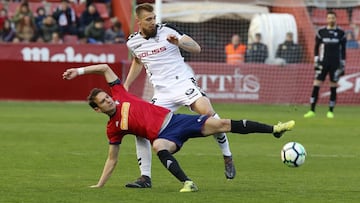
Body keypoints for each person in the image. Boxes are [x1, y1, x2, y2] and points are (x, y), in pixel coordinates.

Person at [62, 63, 295, 192]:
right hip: (165, 136)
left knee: (222, 124)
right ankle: (188, 183)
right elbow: (112, 158)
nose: (108, 100)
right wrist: (99, 184)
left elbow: (104, 68)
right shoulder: (113, 128)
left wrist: (79, 71)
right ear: (97, 109)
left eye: (106, 97)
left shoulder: (120, 93)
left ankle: (274, 129)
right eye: (103, 102)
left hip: (175, 121)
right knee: (159, 146)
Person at [124, 3, 236, 188]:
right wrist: (127, 84)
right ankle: (145, 177)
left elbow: (196, 48)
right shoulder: (133, 42)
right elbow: (138, 60)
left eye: (154, 18)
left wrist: (179, 42)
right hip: (162, 93)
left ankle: (227, 156)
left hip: (183, 83)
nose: (153, 22)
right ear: (139, 22)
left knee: (208, 113)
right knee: (141, 130)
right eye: (148, 19)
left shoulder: (168, 29)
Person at [304, 11, 346, 119]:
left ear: (335, 19)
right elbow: (316, 48)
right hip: (323, 62)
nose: (331, 19)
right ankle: (312, 110)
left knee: (333, 86)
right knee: (316, 85)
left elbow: (343, 50)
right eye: (329, 18)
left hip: (335, 64)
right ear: (326, 19)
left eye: (333, 18)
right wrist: (316, 60)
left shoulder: (341, 33)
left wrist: (343, 64)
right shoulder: (321, 32)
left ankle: (330, 111)